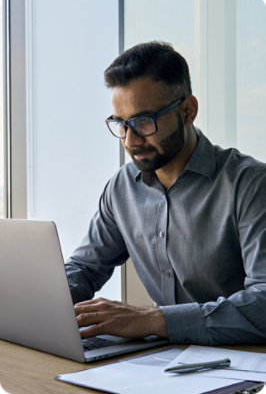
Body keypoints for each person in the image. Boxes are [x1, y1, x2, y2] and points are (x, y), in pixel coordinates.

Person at [65, 41, 266, 345]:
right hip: (166, 363)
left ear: (188, 111)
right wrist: (39, 301)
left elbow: (263, 303)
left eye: (144, 121)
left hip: (247, 367)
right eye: (121, 124)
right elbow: (85, 268)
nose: (131, 141)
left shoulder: (250, 185)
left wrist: (151, 320)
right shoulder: (122, 188)